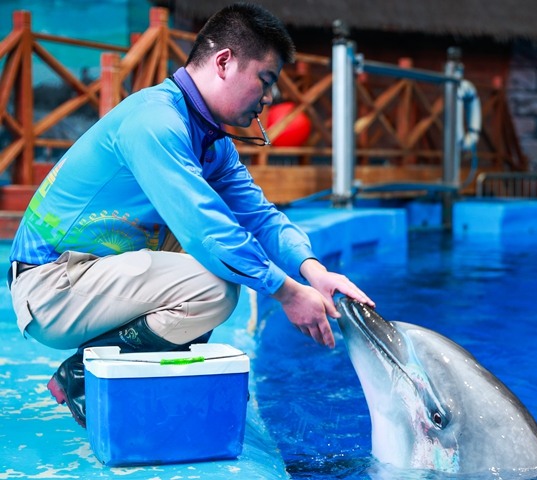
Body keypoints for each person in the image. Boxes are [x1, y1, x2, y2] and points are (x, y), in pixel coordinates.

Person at [7, 2, 372, 428]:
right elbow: (207, 232)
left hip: (92, 276)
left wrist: (313, 271)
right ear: (224, 63)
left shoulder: (210, 140)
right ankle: (82, 376)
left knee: (222, 263)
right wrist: (287, 292)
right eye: (265, 79)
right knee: (216, 286)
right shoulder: (156, 121)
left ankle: (147, 387)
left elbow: (260, 217)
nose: (269, 98)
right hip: (50, 286)